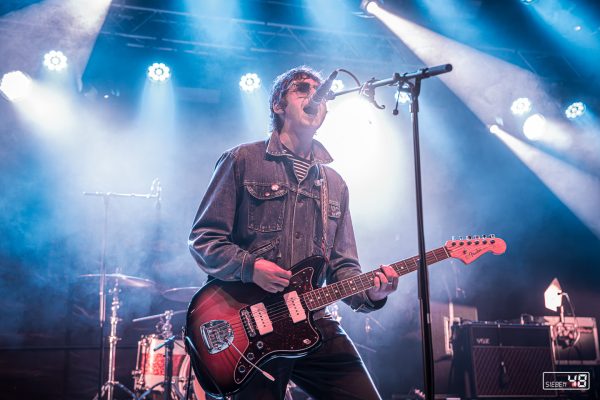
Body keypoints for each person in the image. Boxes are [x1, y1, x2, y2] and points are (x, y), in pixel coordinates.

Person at [189, 66, 399, 400]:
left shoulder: (335, 184)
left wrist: (372, 294)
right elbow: (204, 239)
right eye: (302, 89)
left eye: (321, 93)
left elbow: (343, 266)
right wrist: (251, 267)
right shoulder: (242, 159)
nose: (315, 96)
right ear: (278, 105)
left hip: (312, 321)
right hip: (251, 325)